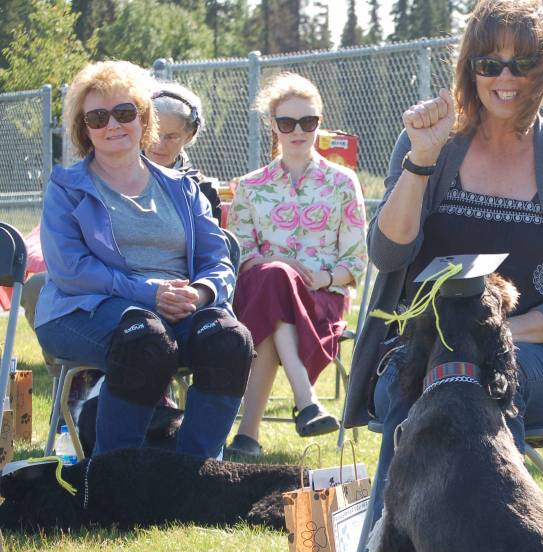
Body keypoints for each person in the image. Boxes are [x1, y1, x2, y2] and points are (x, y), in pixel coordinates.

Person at [305, 0, 543, 552]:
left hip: (536, 353)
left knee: (470, 386)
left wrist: (510, 331)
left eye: (522, 62)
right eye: (490, 61)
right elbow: (387, 254)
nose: (506, 76)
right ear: (468, 66)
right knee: (424, 388)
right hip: (420, 352)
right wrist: (420, 158)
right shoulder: (431, 143)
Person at [34, 60, 253, 458]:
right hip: (84, 309)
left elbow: (218, 261)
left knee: (229, 340)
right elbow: (71, 270)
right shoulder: (67, 188)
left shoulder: (182, 188)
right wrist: (147, 293)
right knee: (146, 339)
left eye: (124, 112)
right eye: (98, 117)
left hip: (177, 310)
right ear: (84, 129)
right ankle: (116, 474)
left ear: (144, 116)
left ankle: (194, 473)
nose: (112, 125)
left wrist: (201, 294)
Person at [224, 72, 368, 457]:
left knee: (275, 309)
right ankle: (306, 402)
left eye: (308, 122)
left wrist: (323, 277)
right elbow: (237, 255)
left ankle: (247, 437)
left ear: (319, 122)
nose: (298, 131)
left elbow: (356, 259)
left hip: (322, 296)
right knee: (275, 279)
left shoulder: (342, 182)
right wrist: (279, 260)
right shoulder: (252, 186)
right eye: (287, 122)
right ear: (273, 125)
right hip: (262, 290)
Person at [148, 83, 222, 222]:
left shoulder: (201, 190)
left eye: (172, 137)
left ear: (189, 136)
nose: (160, 144)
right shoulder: (118, 179)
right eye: (154, 133)